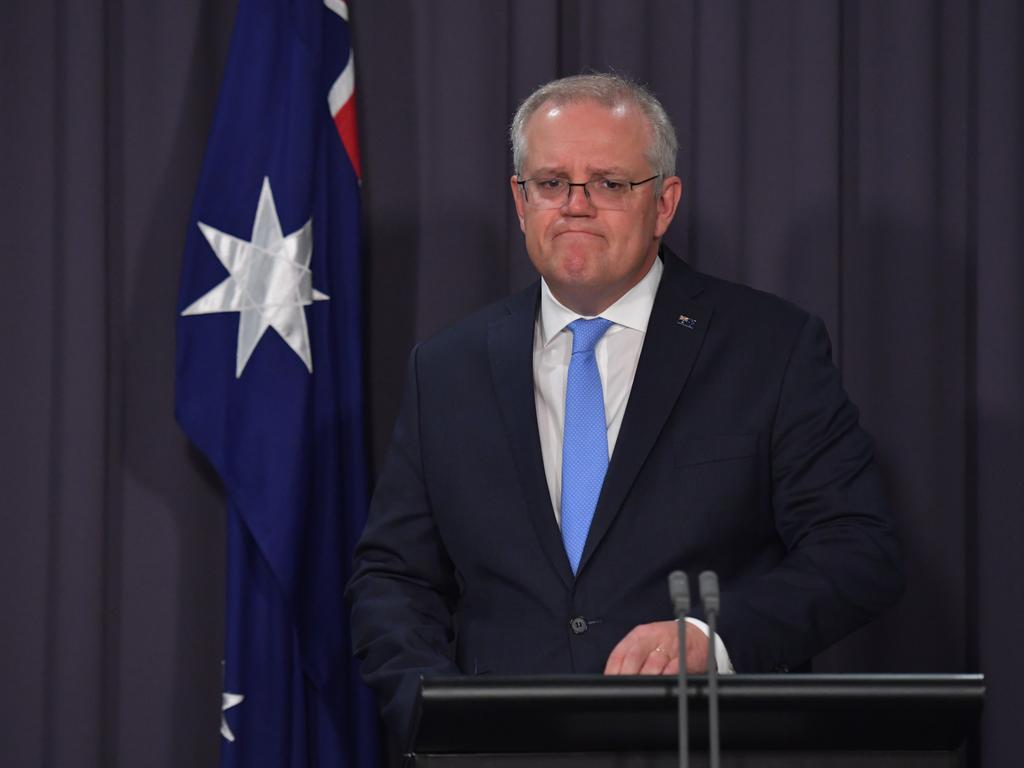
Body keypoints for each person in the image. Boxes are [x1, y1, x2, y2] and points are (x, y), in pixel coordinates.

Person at [347, 73, 903, 743]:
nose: (576, 205)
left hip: (706, 742)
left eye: (609, 183)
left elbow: (857, 549)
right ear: (521, 202)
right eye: (551, 183)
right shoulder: (446, 367)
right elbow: (393, 576)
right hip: (502, 755)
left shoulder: (769, 348)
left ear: (663, 204)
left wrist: (711, 637)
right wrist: (436, 708)